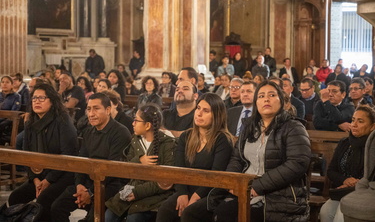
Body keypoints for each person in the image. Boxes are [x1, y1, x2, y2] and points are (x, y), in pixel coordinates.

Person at [191, 80, 311, 222]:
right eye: (261, 96)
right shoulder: (249, 127)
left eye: (272, 95)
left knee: (230, 215)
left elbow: (297, 163)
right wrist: (233, 182)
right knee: (196, 213)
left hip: (279, 195)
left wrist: (257, 186)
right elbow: (237, 159)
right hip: (243, 189)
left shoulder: (293, 127)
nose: (266, 99)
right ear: (256, 103)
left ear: (281, 101)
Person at [51, 93, 132, 221]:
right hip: (89, 183)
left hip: (111, 185)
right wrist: (79, 185)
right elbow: (82, 161)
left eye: (96, 108)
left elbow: (113, 170)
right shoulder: (89, 131)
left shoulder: (121, 132)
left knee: (92, 218)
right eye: (89, 109)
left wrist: (91, 193)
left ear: (108, 110)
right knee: (57, 207)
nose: (91, 114)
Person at [156, 93, 235, 222]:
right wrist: (182, 194)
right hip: (186, 188)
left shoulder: (222, 139)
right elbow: (179, 168)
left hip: (211, 191)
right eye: (198, 108)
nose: (199, 113)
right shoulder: (186, 136)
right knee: (165, 210)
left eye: (206, 110)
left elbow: (216, 174)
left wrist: (196, 196)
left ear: (216, 115)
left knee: (189, 213)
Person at [8, 84, 78, 221]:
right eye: (34, 98)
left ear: (52, 101)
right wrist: (35, 179)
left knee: (44, 199)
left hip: (63, 175)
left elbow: (68, 156)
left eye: (41, 98)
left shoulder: (63, 121)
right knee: (15, 197)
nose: (37, 101)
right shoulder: (31, 122)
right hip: (38, 176)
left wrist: (48, 180)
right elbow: (26, 154)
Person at [105, 103, 176, 222]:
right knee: (108, 216)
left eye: (136, 120)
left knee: (134, 218)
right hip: (132, 190)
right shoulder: (135, 140)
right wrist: (139, 160)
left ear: (147, 125)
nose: (132, 123)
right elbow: (126, 167)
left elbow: (165, 180)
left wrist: (137, 192)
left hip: (155, 196)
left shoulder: (167, 144)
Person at [320, 106, 375, 222]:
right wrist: (345, 180)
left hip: (364, 194)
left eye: (360, 121)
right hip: (342, 190)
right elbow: (331, 171)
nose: (354, 124)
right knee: (325, 211)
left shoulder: (373, 148)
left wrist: (356, 184)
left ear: (372, 126)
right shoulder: (344, 143)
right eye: (353, 120)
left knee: (341, 215)